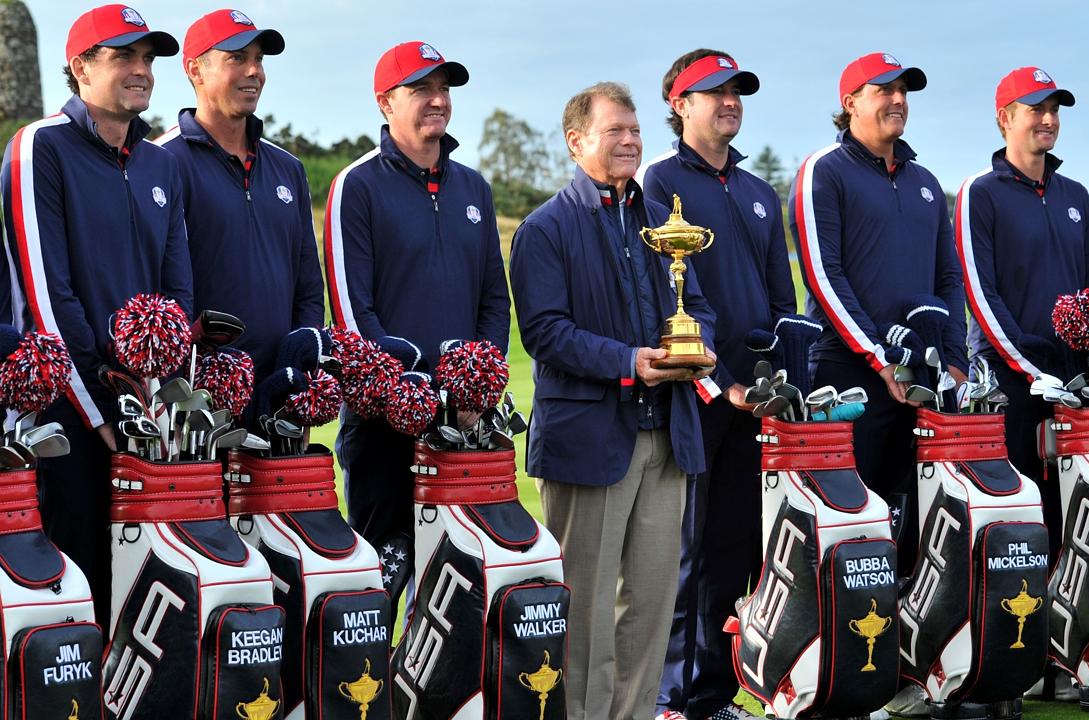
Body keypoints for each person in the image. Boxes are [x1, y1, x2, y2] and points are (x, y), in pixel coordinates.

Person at [509, 81, 717, 720]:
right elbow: (545, 332)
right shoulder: (546, 228)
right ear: (577, 143)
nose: (630, 141)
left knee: (653, 605)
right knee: (588, 608)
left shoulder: (662, 220)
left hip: (667, 438)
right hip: (592, 441)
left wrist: (697, 346)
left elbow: (698, 307)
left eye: (634, 130)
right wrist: (630, 362)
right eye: (614, 131)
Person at [0, 4, 191, 625]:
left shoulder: (162, 162)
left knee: (149, 592)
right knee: (78, 595)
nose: (141, 70)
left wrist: (163, 397)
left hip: (147, 415)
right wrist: (97, 410)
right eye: (123, 56)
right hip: (68, 414)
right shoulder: (40, 146)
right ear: (80, 67)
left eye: (148, 59)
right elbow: (44, 298)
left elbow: (178, 290)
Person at [323, 40, 510, 608]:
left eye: (443, 89)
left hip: (463, 421)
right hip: (384, 425)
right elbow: (354, 313)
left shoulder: (473, 187)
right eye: (421, 89)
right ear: (385, 102)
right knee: (381, 586)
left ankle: (430, 699)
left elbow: (492, 301)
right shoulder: (356, 186)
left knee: (455, 588)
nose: (437, 100)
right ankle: (367, 698)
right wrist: (408, 391)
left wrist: (477, 384)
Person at [638, 49, 793, 720]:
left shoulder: (759, 193)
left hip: (757, 399)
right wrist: (718, 384)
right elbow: (663, 299)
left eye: (735, 92)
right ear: (679, 103)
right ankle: (670, 697)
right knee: (686, 553)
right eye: (713, 92)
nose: (728, 101)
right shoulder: (655, 180)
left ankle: (712, 694)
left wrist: (784, 384)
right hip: (693, 396)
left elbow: (782, 302)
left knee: (737, 549)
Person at [953, 65, 1089, 702]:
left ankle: (1062, 657)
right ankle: (1011, 663)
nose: (1046, 118)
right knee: (1016, 528)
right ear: (1004, 118)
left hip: (1072, 382)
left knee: (1073, 523)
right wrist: (1032, 372)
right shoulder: (979, 194)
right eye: (1033, 108)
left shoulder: (1075, 194)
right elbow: (982, 301)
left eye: (1053, 109)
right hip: (1009, 384)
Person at [791, 51, 967, 557]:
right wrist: (878, 357)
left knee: (912, 522)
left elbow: (949, 277)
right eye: (883, 90)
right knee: (848, 525)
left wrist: (953, 359)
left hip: (923, 378)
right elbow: (825, 276)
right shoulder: (823, 171)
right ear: (850, 103)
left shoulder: (927, 182)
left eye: (903, 91)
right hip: (848, 373)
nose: (897, 100)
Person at [157, 8, 323, 374]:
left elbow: (308, 289)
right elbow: (157, 292)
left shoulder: (288, 168)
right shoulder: (160, 162)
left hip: (281, 393)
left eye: (258, 60)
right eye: (237, 58)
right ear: (194, 69)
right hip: (200, 400)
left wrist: (300, 373)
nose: (254, 72)